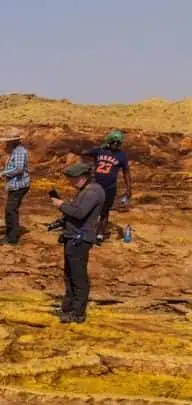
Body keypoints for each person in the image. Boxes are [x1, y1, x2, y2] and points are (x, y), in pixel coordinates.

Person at [51, 162, 106, 323]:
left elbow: (80, 213)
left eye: (72, 180)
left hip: (79, 240)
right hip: (73, 237)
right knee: (69, 275)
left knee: (78, 277)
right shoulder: (86, 191)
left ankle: (78, 313)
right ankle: (68, 307)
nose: (71, 183)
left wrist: (61, 205)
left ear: (82, 178)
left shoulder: (92, 192)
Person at [82, 130, 132, 241]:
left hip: (110, 187)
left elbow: (126, 172)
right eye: (114, 142)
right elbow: (85, 153)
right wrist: (88, 166)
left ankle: (100, 234)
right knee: (90, 208)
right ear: (109, 141)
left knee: (105, 210)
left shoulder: (121, 155)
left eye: (119, 143)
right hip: (96, 186)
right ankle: (86, 230)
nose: (116, 145)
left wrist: (129, 188)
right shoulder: (99, 151)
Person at [0, 128, 30, 244]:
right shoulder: (15, 151)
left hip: (19, 185)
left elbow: (19, 169)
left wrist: (4, 173)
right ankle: (11, 235)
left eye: (8, 141)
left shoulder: (19, 151)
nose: (6, 143)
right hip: (16, 185)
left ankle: (12, 238)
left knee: (11, 210)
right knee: (11, 210)